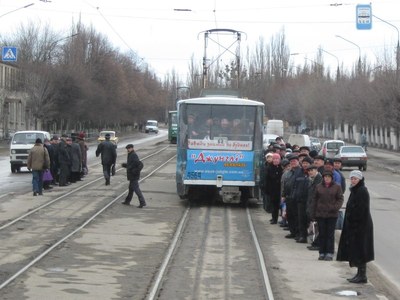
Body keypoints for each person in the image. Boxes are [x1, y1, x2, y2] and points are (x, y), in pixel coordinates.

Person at [337, 170, 374, 284]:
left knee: (361, 250)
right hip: (355, 225)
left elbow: (361, 209)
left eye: (355, 179)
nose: (353, 180)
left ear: (360, 179)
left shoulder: (362, 190)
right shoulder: (355, 190)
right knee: (357, 249)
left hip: (361, 226)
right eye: (352, 178)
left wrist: (354, 221)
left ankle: (362, 275)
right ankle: (359, 274)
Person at [310, 170, 344, 261]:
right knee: (322, 234)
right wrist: (313, 214)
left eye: (329, 177)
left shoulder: (337, 187)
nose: (327, 178)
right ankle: (322, 252)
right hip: (320, 214)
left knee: (330, 234)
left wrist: (335, 207)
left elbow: (340, 199)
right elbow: (314, 200)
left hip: (332, 215)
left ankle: (329, 253)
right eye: (325, 177)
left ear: (332, 178)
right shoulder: (318, 187)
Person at [264, 153, 283, 224]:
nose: (275, 160)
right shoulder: (269, 167)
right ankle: (274, 218)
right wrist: (267, 190)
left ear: (279, 160)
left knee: (278, 205)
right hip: (272, 190)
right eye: (274, 159)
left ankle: (278, 219)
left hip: (279, 190)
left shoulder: (281, 167)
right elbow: (267, 179)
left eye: (277, 159)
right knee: (273, 205)